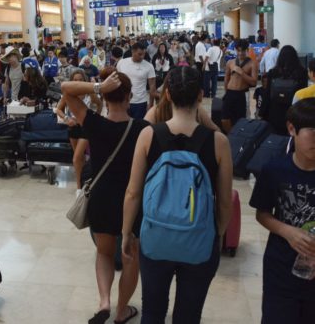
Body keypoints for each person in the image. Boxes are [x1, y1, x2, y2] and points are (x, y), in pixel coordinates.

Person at [122, 66, 232, 324]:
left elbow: (132, 192)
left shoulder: (148, 135)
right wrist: (217, 234)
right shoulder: (218, 142)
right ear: (201, 95)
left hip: (155, 239)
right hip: (199, 240)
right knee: (189, 314)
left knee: (152, 310)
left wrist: (127, 232)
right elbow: (225, 202)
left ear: (167, 95)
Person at [62, 69, 146, 324]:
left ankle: (104, 302)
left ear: (107, 98)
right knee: (131, 257)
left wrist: (97, 86)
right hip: (132, 202)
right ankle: (122, 310)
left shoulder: (93, 123)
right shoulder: (143, 129)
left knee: (104, 252)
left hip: (101, 198)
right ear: (130, 96)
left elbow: (66, 88)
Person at [249, 98, 315, 324]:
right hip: (281, 269)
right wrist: (287, 231)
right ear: (291, 129)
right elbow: (262, 213)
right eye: (312, 131)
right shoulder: (275, 170)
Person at [55, 68, 102, 196]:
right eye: (75, 80)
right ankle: (84, 181)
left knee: (76, 158)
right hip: (73, 127)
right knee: (79, 157)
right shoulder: (68, 95)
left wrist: (95, 118)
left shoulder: (90, 93)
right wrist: (66, 118)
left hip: (86, 128)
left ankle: (79, 187)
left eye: (80, 80)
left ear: (84, 81)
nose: (78, 82)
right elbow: (58, 109)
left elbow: (99, 104)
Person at [260, 45, 309, 135]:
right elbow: (302, 95)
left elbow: (267, 95)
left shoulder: (273, 72)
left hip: (274, 112)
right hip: (293, 112)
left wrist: (263, 112)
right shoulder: (302, 72)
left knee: (275, 141)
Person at [145, 81, 220, 132]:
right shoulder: (198, 109)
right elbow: (216, 130)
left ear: (168, 94)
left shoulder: (155, 111)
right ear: (200, 95)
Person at [222, 39, 258, 133]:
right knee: (224, 119)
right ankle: (230, 135)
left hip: (241, 94)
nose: (240, 53)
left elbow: (254, 82)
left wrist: (242, 73)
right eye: (238, 50)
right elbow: (226, 79)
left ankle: (237, 136)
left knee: (240, 120)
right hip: (230, 93)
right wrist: (226, 93)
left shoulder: (252, 64)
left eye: (243, 50)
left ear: (247, 50)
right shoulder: (230, 62)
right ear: (236, 50)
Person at [116, 43, 157, 119]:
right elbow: (117, 81)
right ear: (133, 52)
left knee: (138, 127)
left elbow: (152, 87)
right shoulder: (122, 63)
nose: (142, 56)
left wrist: (151, 105)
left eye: (144, 54)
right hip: (124, 101)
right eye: (140, 54)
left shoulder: (149, 66)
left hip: (140, 102)